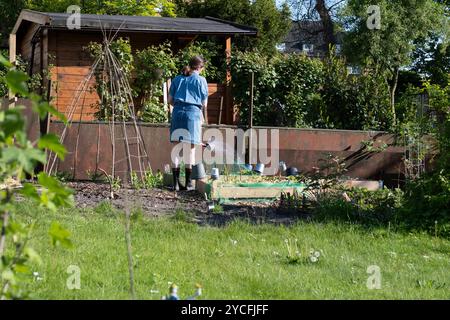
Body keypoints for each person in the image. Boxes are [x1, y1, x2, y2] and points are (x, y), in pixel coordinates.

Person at [168, 55, 208, 191]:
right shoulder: (201, 80)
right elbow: (204, 103)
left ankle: (175, 184)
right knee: (190, 150)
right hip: (193, 114)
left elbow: (170, 101)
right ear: (200, 67)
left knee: (176, 149)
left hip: (177, 113)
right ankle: (188, 184)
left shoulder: (177, 79)